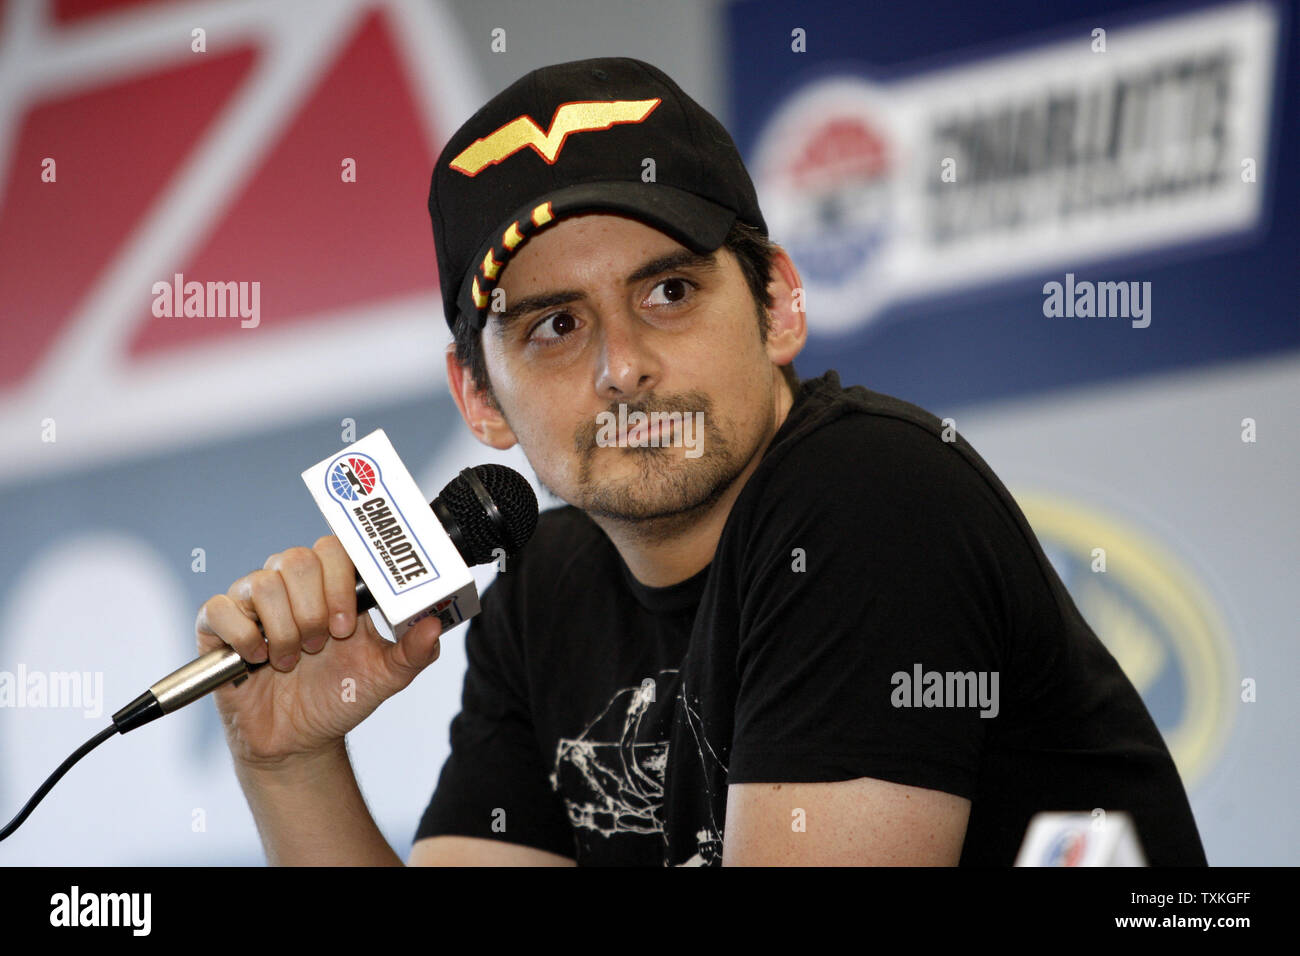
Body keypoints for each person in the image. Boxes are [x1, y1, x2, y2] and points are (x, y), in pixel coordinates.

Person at [197, 57, 1207, 866]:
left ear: (777, 303)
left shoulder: (868, 497)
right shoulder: (543, 588)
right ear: (478, 397)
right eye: (554, 324)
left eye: (668, 290)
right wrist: (289, 762)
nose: (622, 368)